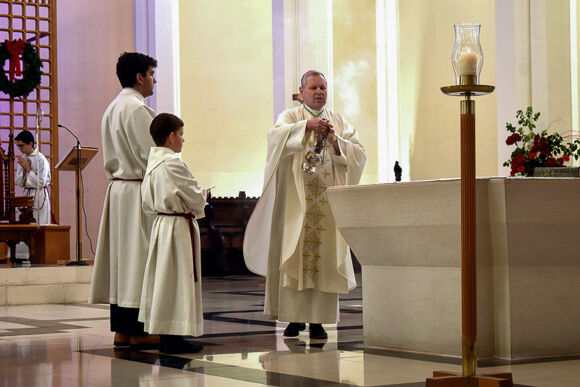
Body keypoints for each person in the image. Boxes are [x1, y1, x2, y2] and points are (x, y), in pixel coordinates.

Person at [243, 70, 366, 339]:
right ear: (302, 92)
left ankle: (318, 321)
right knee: (294, 256)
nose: (319, 92)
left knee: (323, 258)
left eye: (323, 87)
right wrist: (306, 128)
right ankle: (294, 319)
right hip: (296, 205)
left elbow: (358, 153)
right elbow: (274, 139)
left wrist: (336, 141)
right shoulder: (290, 117)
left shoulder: (338, 120)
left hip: (325, 206)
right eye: (313, 87)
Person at [88, 52, 158, 349]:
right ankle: (140, 331)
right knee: (137, 262)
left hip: (119, 191)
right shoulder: (137, 109)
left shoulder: (113, 107)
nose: (155, 80)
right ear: (139, 77)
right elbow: (151, 157)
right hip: (137, 191)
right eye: (152, 73)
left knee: (122, 263)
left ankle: (122, 330)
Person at [138, 113, 208, 354]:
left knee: (165, 282)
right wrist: (202, 196)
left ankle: (169, 334)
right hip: (177, 228)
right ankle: (174, 336)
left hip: (161, 225)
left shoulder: (152, 164)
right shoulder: (173, 163)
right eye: (180, 134)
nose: (182, 140)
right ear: (170, 137)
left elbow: (146, 201)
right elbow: (194, 194)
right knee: (179, 281)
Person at [14, 130, 51, 225]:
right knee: (24, 224)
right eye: (18, 146)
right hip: (26, 195)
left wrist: (28, 169)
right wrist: (24, 171)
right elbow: (18, 182)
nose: (19, 148)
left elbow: (40, 183)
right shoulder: (23, 157)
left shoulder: (41, 159)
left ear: (30, 144)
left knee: (39, 225)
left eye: (21, 145)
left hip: (39, 195)